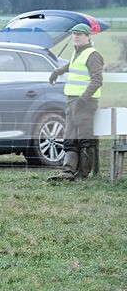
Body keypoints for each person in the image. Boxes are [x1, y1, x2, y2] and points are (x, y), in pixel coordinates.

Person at [48, 23, 103, 180]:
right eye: (74, 34)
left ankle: (82, 175)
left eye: (79, 34)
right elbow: (72, 66)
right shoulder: (78, 53)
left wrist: (83, 99)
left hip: (85, 103)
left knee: (85, 139)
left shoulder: (92, 55)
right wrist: (58, 72)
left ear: (88, 36)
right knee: (70, 138)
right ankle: (67, 172)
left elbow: (97, 79)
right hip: (72, 102)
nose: (76, 36)